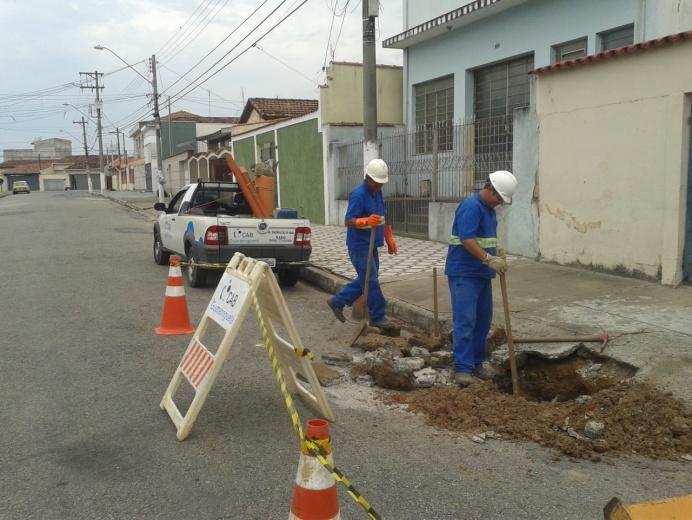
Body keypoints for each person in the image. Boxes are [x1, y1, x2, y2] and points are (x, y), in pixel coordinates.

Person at [445, 170, 518, 387]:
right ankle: (463, 368)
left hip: (481, 273)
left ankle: (477, 362)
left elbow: (483, 239)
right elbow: (467, 239)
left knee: (483, 320)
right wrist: (489, 258)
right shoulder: (471, 207)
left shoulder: (488, 210)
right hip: (464, 273)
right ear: (490, 189)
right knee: (465, 321)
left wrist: (496, 253)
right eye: (499, 198)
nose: (499, 203)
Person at [327, 159, 398, 328]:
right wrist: (365, 220)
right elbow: (348, 221)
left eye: (382, 183)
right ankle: (378, 317)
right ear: (369, 179)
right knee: (371, 280)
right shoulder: (358, 194)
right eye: (378, 183)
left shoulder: (377, 192)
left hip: (373, 243)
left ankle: (338, 301)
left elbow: (382, 216)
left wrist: (389, 237)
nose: (380, 186)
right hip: (359, 245)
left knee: (366, 279)